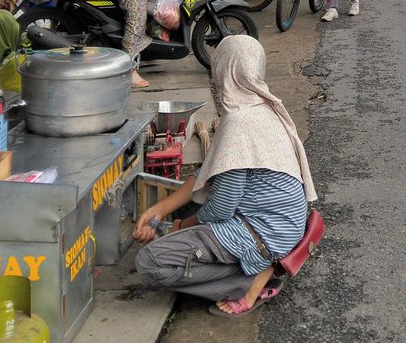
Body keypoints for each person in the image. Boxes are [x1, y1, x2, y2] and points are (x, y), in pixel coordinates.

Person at [134, 35, 317, 317]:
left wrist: (180, 227)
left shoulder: (238, 123)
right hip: (284, 226)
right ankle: (248, 266)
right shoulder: (263, 107)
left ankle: (247, 281)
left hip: (264, 234)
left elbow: (221, 207)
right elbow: (208, 174)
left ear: (222, 70)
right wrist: (159, 210)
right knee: (185, 207)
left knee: (150, 262)